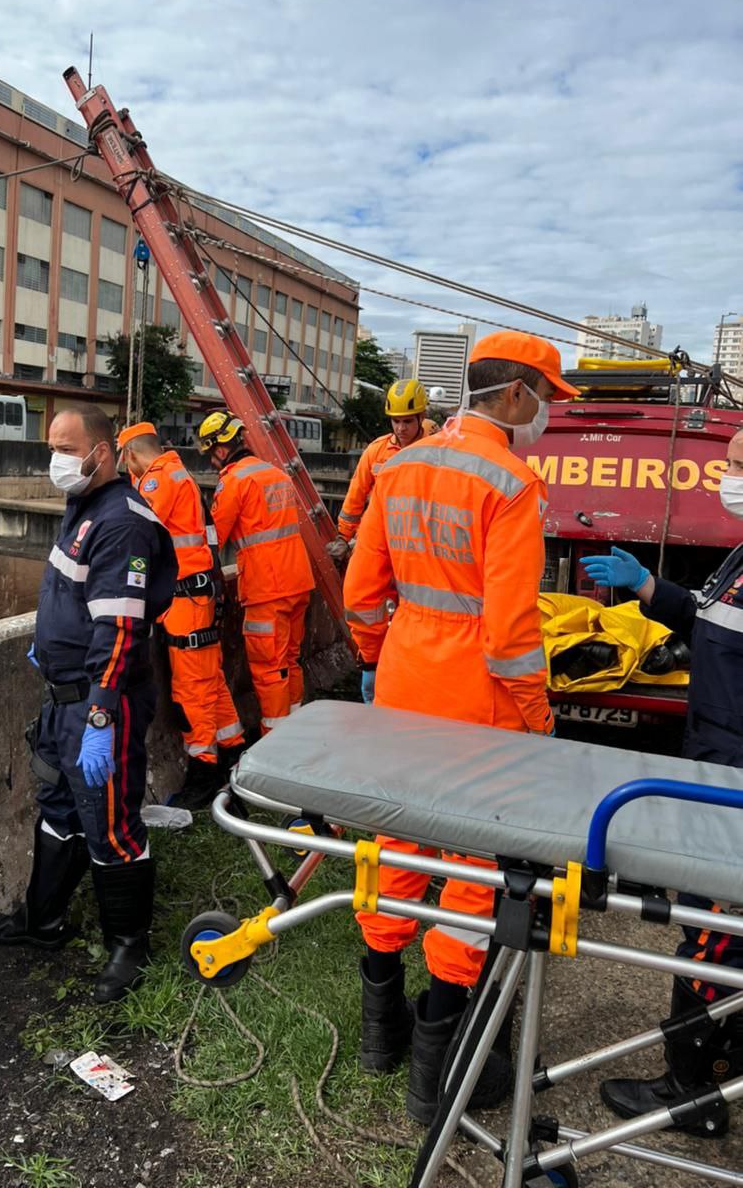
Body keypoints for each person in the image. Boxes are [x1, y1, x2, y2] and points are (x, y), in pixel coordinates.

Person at [343, 331, 575, 1123]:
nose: (547, 414)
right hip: (477, 706)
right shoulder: (512, 483)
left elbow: (361, 593)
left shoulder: (396, 466)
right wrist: (538, 719)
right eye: (547, 397)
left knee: (395, 843)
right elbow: (512, 636)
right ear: (514, 396)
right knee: (472, 874)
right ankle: (434, 1074)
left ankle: (382, 1036)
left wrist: (383, 654)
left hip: (403, 687)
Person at [0, 405, 177, 1004]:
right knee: (60, 807)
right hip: (63, 696)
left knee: (110, 820)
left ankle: (128, 947)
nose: (57, 462)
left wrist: (98, 718)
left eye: (68, 450)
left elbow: (119, 630)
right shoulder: (84, 505)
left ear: (103, 451)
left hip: (100, 703)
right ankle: (43, 923)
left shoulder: (123, 522)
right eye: (52, 450)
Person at [583, 430, 743, 1137]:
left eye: (737, 466)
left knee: (714, 937)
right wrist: (650, 588)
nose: (724, 475)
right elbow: (714, 622)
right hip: (714, 755)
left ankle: (690, 1091)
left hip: (735, 779)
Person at [118, 421, 245, 809]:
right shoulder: (179, 474)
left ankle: (204, 770)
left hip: (184, 601)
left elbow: (136, 532)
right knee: (211, 682)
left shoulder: (158, 480)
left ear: (130, 454)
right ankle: (234, 754)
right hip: (196, 596)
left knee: (192, 689)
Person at [197, 410, 314, 733]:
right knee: (291, 661)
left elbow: (214, 539)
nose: (211, 462)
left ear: (220, 448)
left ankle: (274, 742)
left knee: (269, 667)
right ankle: (295, 730)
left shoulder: (234, 481)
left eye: (210, 454)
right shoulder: (276, 474)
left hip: (267, 587)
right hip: (298, 580)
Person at [328, 379, 438, 561]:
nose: (401, 428)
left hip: (417, 541)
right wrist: (343, 537)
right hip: (377, 535)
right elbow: (356, 495)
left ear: (422, 416)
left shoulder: (435, 449)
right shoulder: (376, 450)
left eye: (408, 421)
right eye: (396, 421)